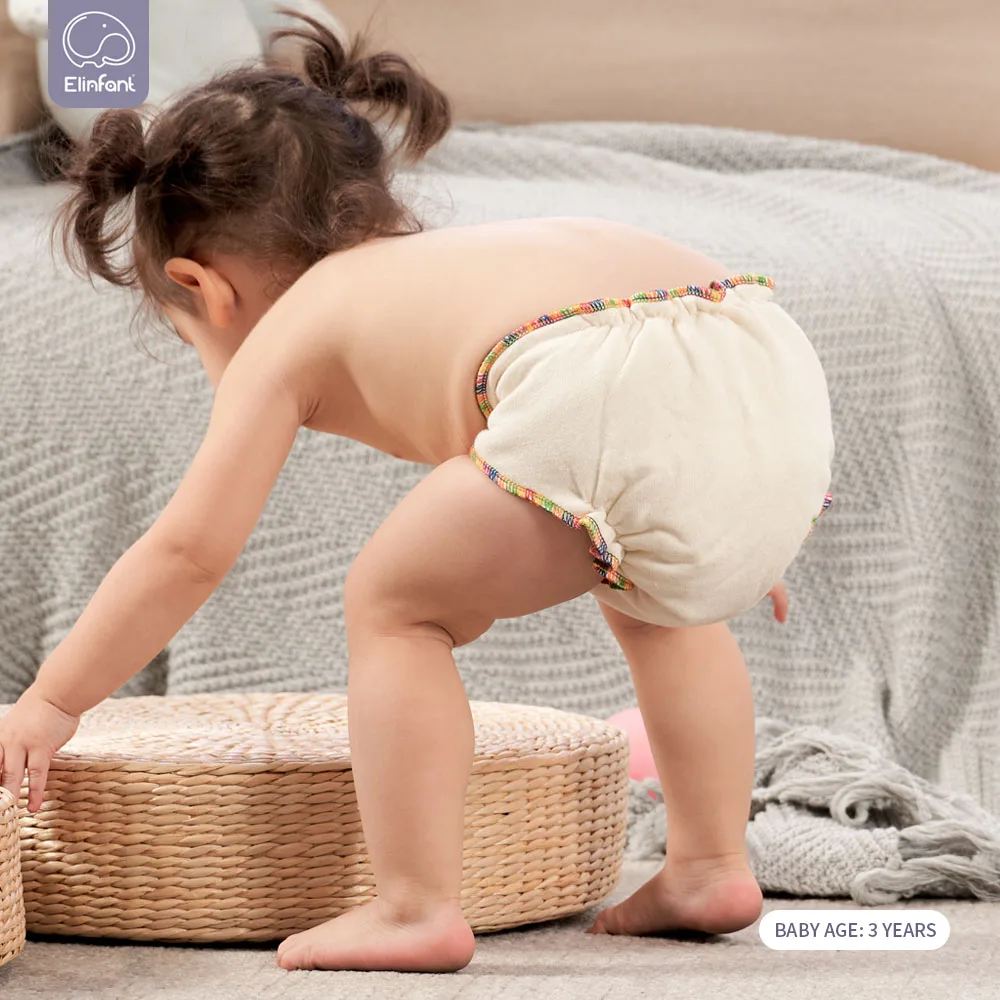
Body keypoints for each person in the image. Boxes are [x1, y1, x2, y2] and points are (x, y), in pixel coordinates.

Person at [0, 14, 833, 973]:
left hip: (610, 391)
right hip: (761, 363)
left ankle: (414, 907)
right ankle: (710, 865)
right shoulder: (466, 262)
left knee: (394, 602)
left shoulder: (291, 326)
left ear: (204, 286)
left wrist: (53, 702)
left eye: (189, 337)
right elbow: (665, 389)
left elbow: (188, 553)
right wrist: (732, 514)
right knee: (656, 600)